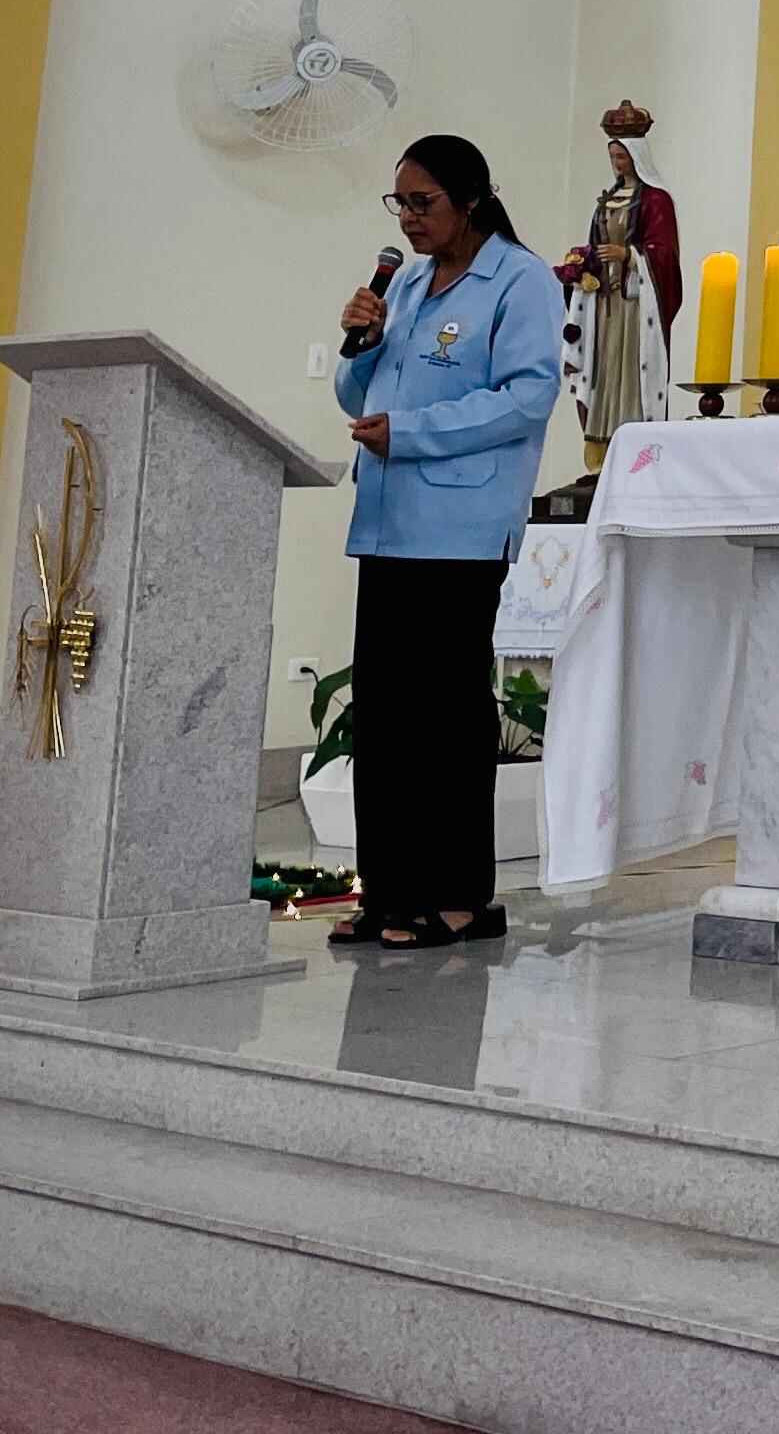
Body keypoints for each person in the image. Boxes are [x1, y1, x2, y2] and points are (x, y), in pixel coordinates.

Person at [334, 133, 561, 950]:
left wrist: (414, 432)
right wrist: (359, 344)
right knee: (386, 717)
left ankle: (460, 897)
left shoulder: (520, 281)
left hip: (460, 531)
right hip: (388, 522)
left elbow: (527, 397)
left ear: (470, 200)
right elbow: (357, 395)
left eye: (422, 202)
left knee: (445, 716)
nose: (408, 218)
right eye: (399, 203)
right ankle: (390, 892)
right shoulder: (405, 284)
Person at [553, 97, 682, 466]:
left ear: (636, 156)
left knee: (630, 374)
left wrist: (629, 255)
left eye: (622, 156)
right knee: (602, 373)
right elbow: (596, 245)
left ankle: (632, 455)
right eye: (613, 156)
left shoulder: (656, 200)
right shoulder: (607, 200)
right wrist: (582, 265)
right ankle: (599, 459)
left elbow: (664, 254)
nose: (617, 163)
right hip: (604, 305)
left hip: (635, 307)